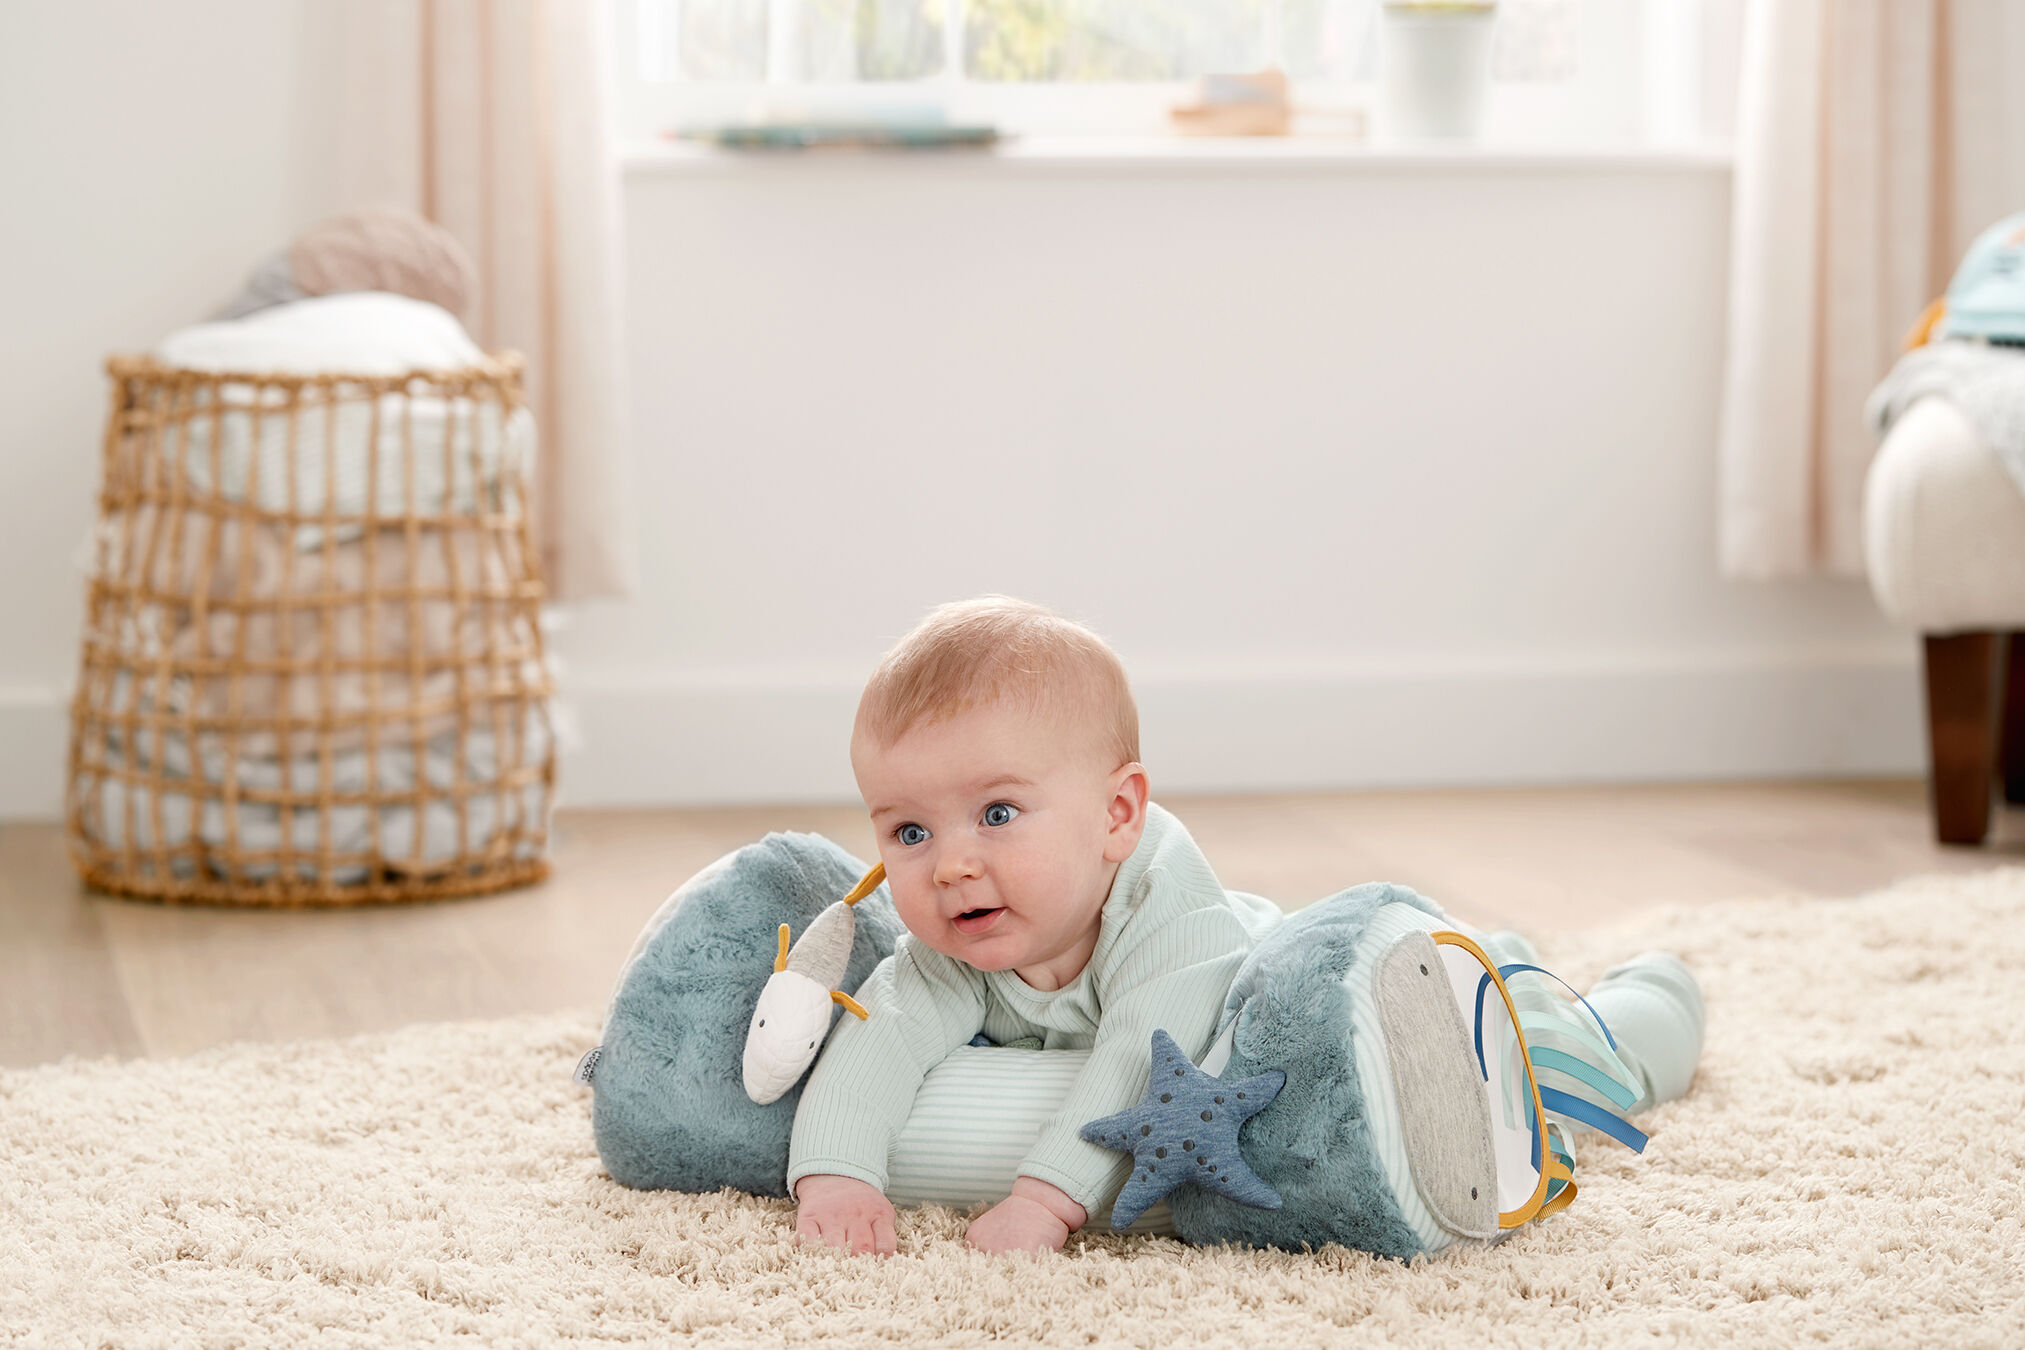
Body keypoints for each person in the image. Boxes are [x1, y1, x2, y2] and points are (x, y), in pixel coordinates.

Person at [789, 595, 1281, 1255]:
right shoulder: (955, 939)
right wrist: (835, 1179)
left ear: (1115, 814)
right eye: (910, 831)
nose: (950, 867)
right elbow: (874, 1045)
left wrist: (1044, 1199)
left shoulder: (1173, 918)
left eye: (997, 814)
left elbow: (1145, 1066)